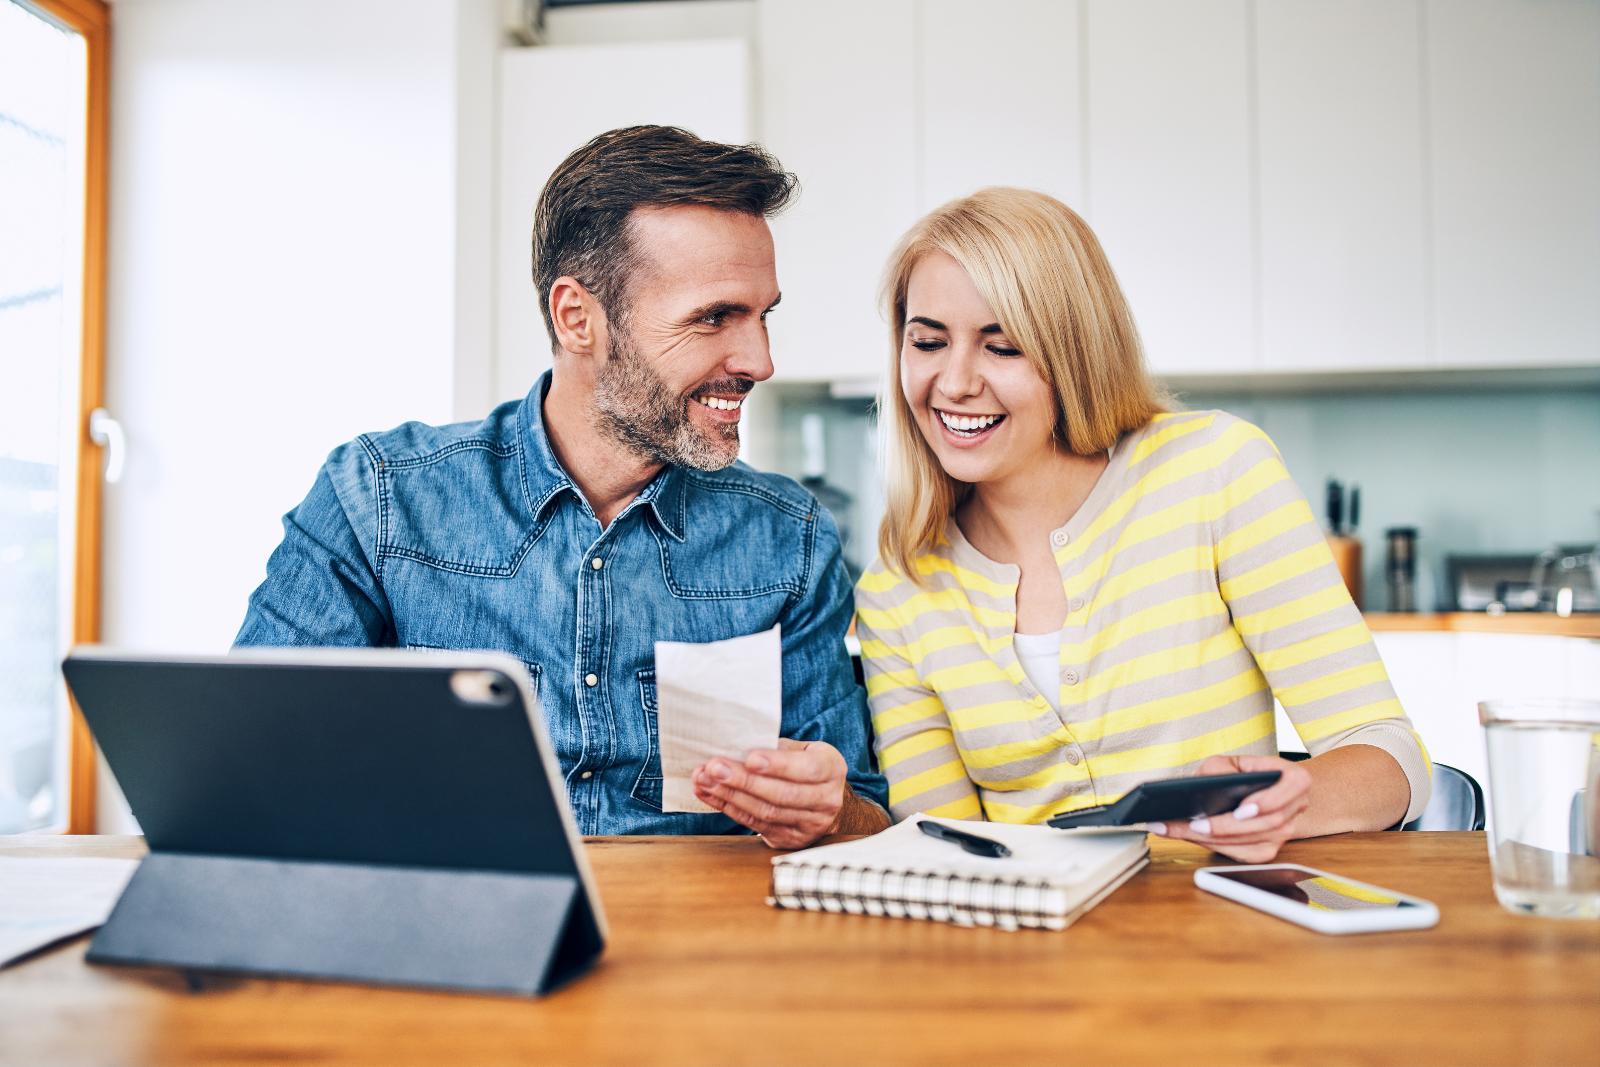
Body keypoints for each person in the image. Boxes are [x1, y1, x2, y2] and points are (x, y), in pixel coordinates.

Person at [236, 126, 890, 848]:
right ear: (578, 318)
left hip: (696, 946)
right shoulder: (379, 500)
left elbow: (862, 814)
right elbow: (244, 772)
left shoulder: (788, 538)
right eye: (714, 317)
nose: (759, 359)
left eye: (762, 315)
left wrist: (828, 812)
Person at [854, 187, 1429, 862]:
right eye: (927, 341)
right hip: (1026, 949)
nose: (953, 382)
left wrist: (1289, 797)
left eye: (1001, 346)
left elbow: (1393, 761)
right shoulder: (898, 586)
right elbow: (945, 846)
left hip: (1220, 935)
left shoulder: (1214, 472)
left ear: (1074, 351)